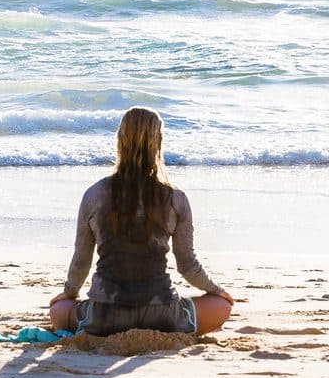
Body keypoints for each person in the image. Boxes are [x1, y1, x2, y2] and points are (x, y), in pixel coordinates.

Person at [48, 107, 236, 336]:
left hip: (104, 316)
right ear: (158, 142)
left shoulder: (94, 194)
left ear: (120, 140)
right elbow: (187, 265)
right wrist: (217, 290)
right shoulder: (175, 198)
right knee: (222, 305)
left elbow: (81, 260)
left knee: (58, 309)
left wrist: (69, 293)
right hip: (161, 314)